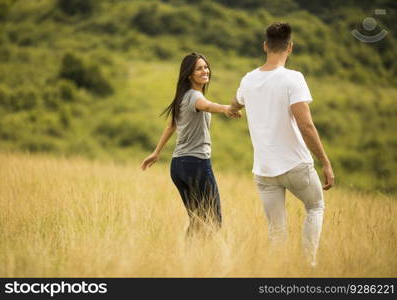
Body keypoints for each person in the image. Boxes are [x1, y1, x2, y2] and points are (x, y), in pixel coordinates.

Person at [229, 22, 334, 267]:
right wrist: (326, 163)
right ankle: (309, 265)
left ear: (265, 46)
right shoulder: (293, 79)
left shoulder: (248, 79)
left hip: (264, 171)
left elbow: (235, 102)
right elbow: (306, 125)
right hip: (296, 165)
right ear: (290, 48)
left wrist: (234, 108)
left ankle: (278, 272)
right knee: (315, 207)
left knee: (276, 231)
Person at [141, 52, 240, 237]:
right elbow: (208, 106)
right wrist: (227, 108)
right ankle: (202, 261)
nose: (205, 71)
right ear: (189, 74)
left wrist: (156, 152)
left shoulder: (182, 97)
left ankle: (188, 260)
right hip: (196, 164)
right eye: (199, 68)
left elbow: (171, 125)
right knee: (214, 220)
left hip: (178, 166)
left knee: (198, 221)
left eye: (206, 67)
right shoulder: (194, 96)